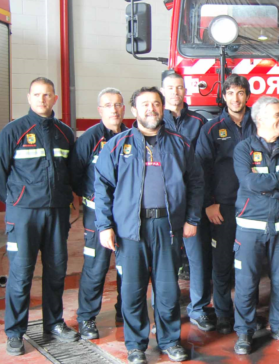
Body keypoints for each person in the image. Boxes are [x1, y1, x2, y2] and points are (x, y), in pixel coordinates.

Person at [94, 87, 203, 364]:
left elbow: (196, 183)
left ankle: (170, 341)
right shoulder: (118, 145)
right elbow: (103, 187)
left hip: (167, 226)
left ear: (162, 108)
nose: (151, 109)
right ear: (134, 111)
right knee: (132, 290)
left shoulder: (181, 144)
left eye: (156, 103)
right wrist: (104, 225)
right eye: (144, 104)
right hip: (131, 229)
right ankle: (135, 346)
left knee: (167, 290)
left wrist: (191, 219)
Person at [0, 77, 78, 356]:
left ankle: (54, 323)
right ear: (29, 98)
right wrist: (16, 202)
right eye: (37, 95)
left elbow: (73, 174)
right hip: (23, 215)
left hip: (57, 214)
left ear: (55, 99)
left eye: (47, 95)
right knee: (21, 274)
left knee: (56, 271)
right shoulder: (13, 131)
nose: (42, 99)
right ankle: (15, 332)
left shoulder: (64, 133)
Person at [231, 96, 279, 355]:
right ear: (260, 119)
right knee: (246, 281)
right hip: (250, 227)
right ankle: (244, 332)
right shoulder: (243, 149)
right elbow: (249, 183)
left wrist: (269, 190)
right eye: (277, 115)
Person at [195, 75, 256, 335]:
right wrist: (209, 203)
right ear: (224, 96)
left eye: (240, 93)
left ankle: (248, 315)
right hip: (223, 208)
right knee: (221, 264)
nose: (235, 98)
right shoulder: (211, 128)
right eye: (230, 93)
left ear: (247, 95)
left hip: (254, 206)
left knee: (251, 264)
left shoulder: (260, 122)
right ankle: (222, 313)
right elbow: (201, 170)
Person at [70, 87, 127, 339]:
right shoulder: (89, 139)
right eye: (108, 105)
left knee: (128, 266)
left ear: (124, 108)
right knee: (96, 266)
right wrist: (92, 197)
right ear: (99, 110)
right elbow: (75, 174)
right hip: (97, 215)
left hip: (126, 216)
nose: (113, 110)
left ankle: (124, 311)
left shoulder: (132, 136)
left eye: (117, 105)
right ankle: (86, 318)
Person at [160, 70, 214, 331]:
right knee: (164, 259)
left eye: (179, 87)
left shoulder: (199, 122)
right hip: (163, 204)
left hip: (193, 200)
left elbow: (205, 164)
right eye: (170, 88)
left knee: (197, 258)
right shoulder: (153, 121)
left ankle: (199, 308)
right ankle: (166, 309)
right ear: (162, 91)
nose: (175, 92)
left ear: (185, 90)